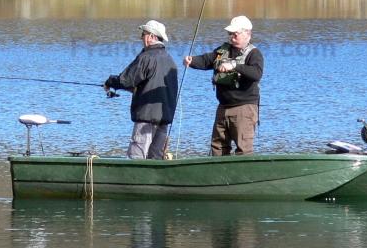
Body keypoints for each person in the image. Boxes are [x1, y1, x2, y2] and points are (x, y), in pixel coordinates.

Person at [183, 15, 264, 156]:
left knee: (243, 151)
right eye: (230, 34)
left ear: (247, 34)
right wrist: (192, 61)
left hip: (244, 109)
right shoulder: (223, 50)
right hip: (223, 107)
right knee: (218, 148)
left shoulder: (254, 54)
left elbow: (256, 73)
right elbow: (207, 60)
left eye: (235, 34)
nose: (231, 37)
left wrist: (234, 65)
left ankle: (242, 177)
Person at [104, 19, 179, 159]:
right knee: (155, 158)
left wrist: (110, 81)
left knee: (136, 156)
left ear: (151, 37)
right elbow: (148, 86)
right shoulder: (171, 61)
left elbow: (126, 80)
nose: (141, 38)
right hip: (164, 118)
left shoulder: (146, 57)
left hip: (146, 118)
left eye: (143, 34)